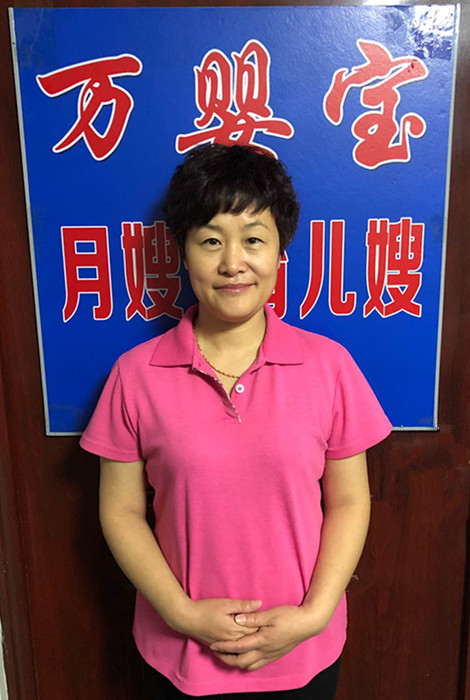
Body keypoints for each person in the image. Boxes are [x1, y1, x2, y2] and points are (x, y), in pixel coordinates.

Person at [80, 144, 391, 699]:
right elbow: (121, 511)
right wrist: (182, 614)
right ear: (182, 251)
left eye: (253, 239)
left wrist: (315, 615)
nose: (232, 263)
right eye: (211, 241)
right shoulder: (135, 375)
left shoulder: (330, 366)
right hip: (179, 652)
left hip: (303, 650)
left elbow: (349, 502)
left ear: (280, 252)